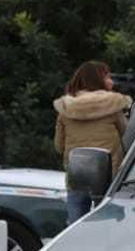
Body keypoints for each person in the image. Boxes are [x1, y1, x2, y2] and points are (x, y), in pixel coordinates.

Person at [53, 61, 130, 223]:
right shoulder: (113, 106)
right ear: (98, 79)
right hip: (108, 178)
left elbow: (59, 147)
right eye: (107, 76)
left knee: (75, 228)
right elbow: (128, 138)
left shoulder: (66, 109)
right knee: (107, 226)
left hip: (77, 176)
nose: (112, 81)